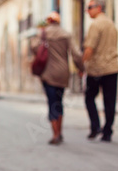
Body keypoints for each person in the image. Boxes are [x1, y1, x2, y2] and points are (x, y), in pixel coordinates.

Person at [31, 11, 84, 145]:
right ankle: (59, 132)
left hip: (48, 74)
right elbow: (76, 54)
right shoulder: (65, 34)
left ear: (48, 21)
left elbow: (34, 48)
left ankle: (55, 134)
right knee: (59, 102)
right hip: (62, 73)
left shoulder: (43, 34)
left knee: (51, 102)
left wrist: (41, 35)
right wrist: (81, 68)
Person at [82, 0, 118, 142]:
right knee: (110, 101)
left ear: (99, 8)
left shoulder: (96, 25)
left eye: (90, 7)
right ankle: (107, 131)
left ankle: (95, 126)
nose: (87, 11)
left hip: (97, 69)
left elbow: (89, 49)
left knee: (89, 98)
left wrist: (82, 64)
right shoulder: (111, 23)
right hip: (112, 67)